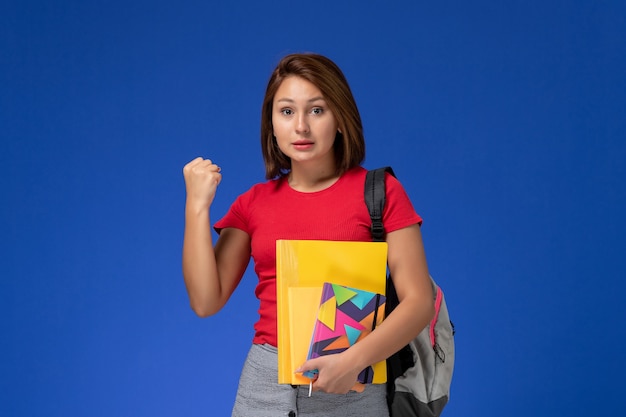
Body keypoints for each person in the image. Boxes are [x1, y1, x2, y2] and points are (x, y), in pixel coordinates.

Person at [182, 53, 435, 417]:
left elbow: (418, 302)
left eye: (316, 110)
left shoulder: (381, 192)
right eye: (286, 112)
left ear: (341, 120)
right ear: (271, 124)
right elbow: (206, 301)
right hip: (264, 388)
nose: (300, 126)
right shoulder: (253, 203)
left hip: (354, 386)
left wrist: (354, 359)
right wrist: (196, 207)